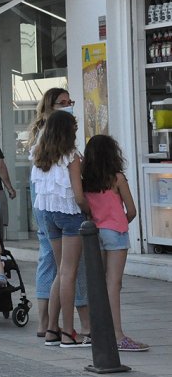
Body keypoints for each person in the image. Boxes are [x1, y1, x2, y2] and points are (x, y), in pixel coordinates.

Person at [27, 88, 89, 339]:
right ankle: (67, 330)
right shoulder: (71, 156)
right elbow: (78, 195)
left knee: (59, 270)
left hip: (47, 215)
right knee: (68, 272)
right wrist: (89, 211)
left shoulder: (39, 154)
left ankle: (51, 328)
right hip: (70, 215)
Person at [82, 135, 149, 352]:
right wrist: (119, 221)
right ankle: (118, 334)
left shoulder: (85, 180)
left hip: (94, 232)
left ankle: (94, 330)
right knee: (114, 283)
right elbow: (131, 210)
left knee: (97, 283)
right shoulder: (117, 178)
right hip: (116, 231)